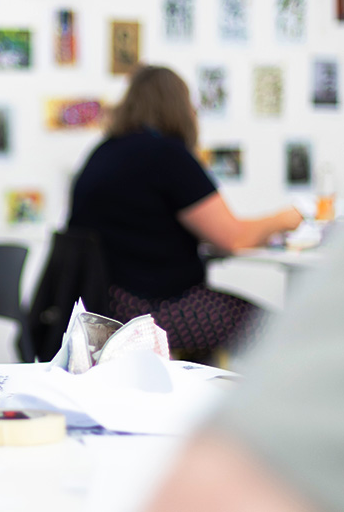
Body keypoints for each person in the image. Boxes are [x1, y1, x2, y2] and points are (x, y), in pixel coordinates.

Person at [67, 65, 302, 362]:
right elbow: (233, 238)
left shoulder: (103, 153)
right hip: (149, 310)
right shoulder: (166, 155)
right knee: (280, 328)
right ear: (178, 106)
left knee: (211, 332)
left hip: (104, 306)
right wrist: (290, 217)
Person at [143, 228, 344, 512]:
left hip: (121, 296)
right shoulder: (176, 180)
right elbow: (233, 235)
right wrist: (288, 216)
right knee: (264, 322)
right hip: (163, 305)